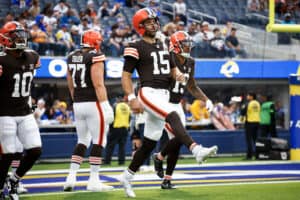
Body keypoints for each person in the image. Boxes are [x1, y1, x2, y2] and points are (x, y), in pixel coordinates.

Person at [119, 8, 218, 198]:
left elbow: (172, 69)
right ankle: (196, 150)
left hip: (163, 94)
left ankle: (127, 176)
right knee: (172, 115)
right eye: (149, 22)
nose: (154, 24)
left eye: (155, 21)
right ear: (140, 26)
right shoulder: (135, 45)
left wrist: (178, 75)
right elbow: (125, 76)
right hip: (148, 91)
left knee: (149, 144)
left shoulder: (164, 43)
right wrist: (131, 98)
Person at [152, 31, 215, 189]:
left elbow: (192, 86)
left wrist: (206, 99)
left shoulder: (190, 61)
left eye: (188, 43)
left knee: (179, 140)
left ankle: (165, 173)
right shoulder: (168, 57)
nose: (188, 46)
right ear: (175, 46)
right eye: (184, 44)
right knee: (180, 136)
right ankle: (165, 158)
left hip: (176, 104)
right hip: (163, 103)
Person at [64, 29, 114, 192]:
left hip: (78, 103)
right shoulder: (95, 56)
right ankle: (93, 180)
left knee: (82, 141)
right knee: (99, 141)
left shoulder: (71, 56)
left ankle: (70, 178)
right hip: (94, 103)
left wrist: (76, 100)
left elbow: (70, 84)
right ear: (95, 42)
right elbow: (98, 84)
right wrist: (106, 106)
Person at [0, 21, 42, 200]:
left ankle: (14, 180)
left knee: (35, 150)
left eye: (22, 35)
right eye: (15, 35)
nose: (20, 39)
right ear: (6, 39)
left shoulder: (32, 56)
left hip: (25, 112)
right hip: (4, 112)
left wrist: (31, 100)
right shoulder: (2, 59)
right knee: (8, 154)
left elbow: (29, 83)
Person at [104, 97, 131, 165]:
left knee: (110, 146)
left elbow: (111, 117)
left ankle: (107, 161)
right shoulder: (127, 107)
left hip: (115, 128)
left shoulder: (115, 106)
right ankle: (121, 162)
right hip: (124, 129)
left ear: (118, 100)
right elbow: (129, 118)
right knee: (122, 147)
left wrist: (110, 128)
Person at [241, 92, 260, 160]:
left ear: (252, 97)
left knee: (249, 140)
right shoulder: (258, 103)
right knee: (256, 140)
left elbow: (243, 112)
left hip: (249, 122)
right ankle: (258, 155)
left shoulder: (248, 104)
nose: (247, 97)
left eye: (248, 95)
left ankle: (249, 155)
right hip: (257, 122)